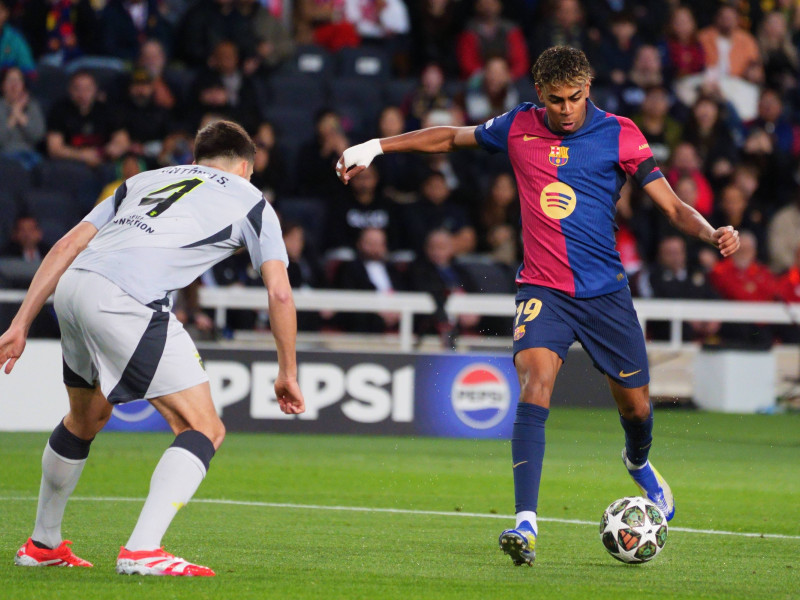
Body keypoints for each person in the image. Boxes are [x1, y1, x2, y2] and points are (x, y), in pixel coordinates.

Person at [336, 46, 740, 566]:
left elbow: (672, 206)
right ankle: (525, 523)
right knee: (535, 384)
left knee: (637, 408)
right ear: (539, 95)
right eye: (556, 100)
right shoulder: (519, 126)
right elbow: (449, 136)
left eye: (575, 98)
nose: (566, 109)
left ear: (588, 89)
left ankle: (638, 461)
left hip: (605, 294)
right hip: (543, 289)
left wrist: (713, 234)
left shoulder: (621, 132)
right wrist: (376, 146)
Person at [0, 120, 305, 575]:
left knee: (86, 417)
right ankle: (142, 550)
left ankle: (43, 543)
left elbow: (66, 244)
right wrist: (287, 371)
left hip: (73, 286)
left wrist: (20, 322)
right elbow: (280, 293)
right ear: (246, 166)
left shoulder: (145, 179)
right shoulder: (252, 200)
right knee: (203, 428)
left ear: (197, 159)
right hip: (127, 299)